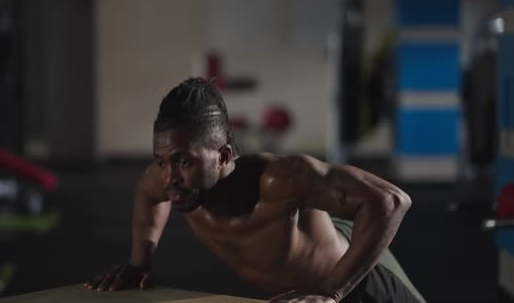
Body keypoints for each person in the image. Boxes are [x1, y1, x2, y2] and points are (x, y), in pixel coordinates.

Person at [84, 78, 426, 303]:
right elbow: (147, 194)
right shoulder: (167, 180)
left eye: (184, 161)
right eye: (161, 161)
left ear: (223, 156)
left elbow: (391, 200)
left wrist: (330, 293)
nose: (169, 176)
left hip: (357, 285)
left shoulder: (280, 179)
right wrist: (140, 262)